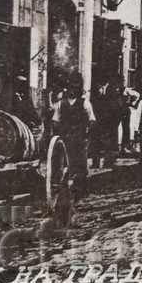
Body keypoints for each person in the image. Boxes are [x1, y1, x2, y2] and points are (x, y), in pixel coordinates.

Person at [51, 71, 96, 201]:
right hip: (65, 139)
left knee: (80, 163)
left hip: (79, 139)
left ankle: (81, 190)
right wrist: (57, 132)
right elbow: (56, 120)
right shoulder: (61, 103)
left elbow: (92, 119)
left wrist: (87, 134)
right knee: (64, 163)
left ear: (79, 89)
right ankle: (64, 190)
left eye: (76, 87)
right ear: (67, 88)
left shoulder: (85, 103)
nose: (73, 90)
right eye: (71, 87)